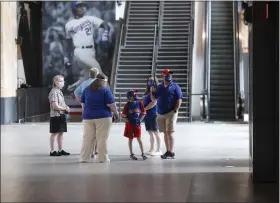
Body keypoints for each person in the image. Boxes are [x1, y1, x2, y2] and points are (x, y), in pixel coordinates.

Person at [64, 1, 111, 92]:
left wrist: (105, 36)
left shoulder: (90, 18)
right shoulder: (69, 24)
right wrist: (66, 57)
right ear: (74, 8)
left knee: (88, 79)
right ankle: (110, 96)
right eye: (79, 6)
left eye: (83, 6)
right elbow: (68, 43)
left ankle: (73, 89)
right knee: (100, 74)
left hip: (91, 51)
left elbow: (106, 25)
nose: (82, 8)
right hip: (80, 51)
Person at [79, 74, 119, 163]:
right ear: (103, 81)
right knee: (101, 138)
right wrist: (116, 114)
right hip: (103, 117)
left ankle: (83, 158)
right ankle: (103, 158)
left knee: (87, 138)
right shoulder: (105, 91)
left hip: (88, 117)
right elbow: (111, 104)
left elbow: (83, 104)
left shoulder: (86, 90)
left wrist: (85, 113)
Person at [151, 69, 182, 159]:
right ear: (163, 76)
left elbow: (179, 99)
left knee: (170, 132)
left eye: (170, 74)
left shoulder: (175, 87)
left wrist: (175, 109)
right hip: (160, 113)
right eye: (167, 74)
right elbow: (154, 99)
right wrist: (151, 89)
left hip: (171, 112)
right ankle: (168, 151)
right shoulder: (159, 87)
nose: (169, 76)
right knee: (165, 133)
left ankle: (171, 152)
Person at [74, 67, 99, 159]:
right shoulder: (100, 83)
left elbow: (76, 92)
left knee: (88, 131)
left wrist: (81, 103)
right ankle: (96, 149)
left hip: (87, 110)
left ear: (89, 74)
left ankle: (89, 150)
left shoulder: (84, 83)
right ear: (97, 74)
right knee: (98, 130)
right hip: (98, 109)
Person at [121, 89, 148, 161]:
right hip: (130, 124)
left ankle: (143, 153)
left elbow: (143, 113)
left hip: (137, 124)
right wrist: (128, 121)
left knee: (139, 138)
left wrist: (140, 120)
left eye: (134, 95)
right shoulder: (127, 105)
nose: (134, 97)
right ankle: (131, 153)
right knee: (130, 139)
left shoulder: (139, 103)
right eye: (133, 95)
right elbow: (123, 116)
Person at [48, 75, 71, 156]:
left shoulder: (59, 91)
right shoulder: (54, 92)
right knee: (54, 133)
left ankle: (60, 149)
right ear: (55, 82)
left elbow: (61, 103)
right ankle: (52, 151)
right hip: (56, 115)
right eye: (60, 81)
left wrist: (66, 107)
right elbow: (55, 106)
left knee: (61, 133)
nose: (62, 83)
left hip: (61, 115)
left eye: (63, 81)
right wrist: (65, 109)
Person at [143, 76, 162, 156]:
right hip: (147, 114)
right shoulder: (147, 91)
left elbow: (154, 103)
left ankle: (159, 150)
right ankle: (151, 149)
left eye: (152, 80)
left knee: (156, 132)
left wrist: (144, 109)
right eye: (149, 80)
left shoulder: (155, 91)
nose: (150, 82)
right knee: (150, 132)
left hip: (153, 114)